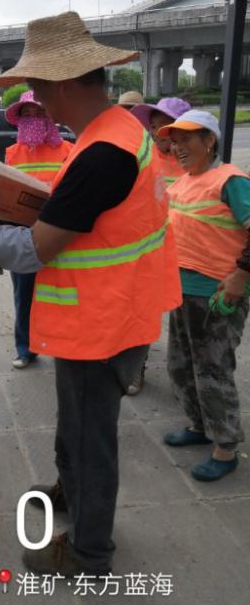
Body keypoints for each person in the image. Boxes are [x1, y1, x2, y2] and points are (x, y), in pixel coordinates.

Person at [0, 13, 181, 575]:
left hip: (100, 323)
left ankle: (88, 551)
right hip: (115, 310)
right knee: (76, 423)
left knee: (89, 438)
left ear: (61, 84)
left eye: (35, 84)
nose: (33, 96)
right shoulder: (117, 133)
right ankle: (70, 488)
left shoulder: (103, 154)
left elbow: (36, 250)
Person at [158, 110, 250, 481]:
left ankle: (225, 448)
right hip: (181, 291)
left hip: (217, 294)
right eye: (174, 141)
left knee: (212, 370)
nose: (178, 147)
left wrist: (240, 276)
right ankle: (199, 425)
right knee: (180, 366)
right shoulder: (181, 183)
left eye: (186, 139)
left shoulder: (231, 180)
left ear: (209, 140)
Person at [121, 97, 191, 396]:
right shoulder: (143, 158)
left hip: (188, 254)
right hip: (151, 250)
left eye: (165, 127)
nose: (157, 133)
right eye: (154, 127)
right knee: (143, 314)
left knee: (185, 322)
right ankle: (136, 370)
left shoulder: (194, 163)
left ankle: (187, 381)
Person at [4, 90, 72, 369]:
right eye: (27, 114)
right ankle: (26, 349)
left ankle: (64, 346)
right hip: (23, 235)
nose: (32, 119)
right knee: (24, 296)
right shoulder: (12, 153)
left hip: (61, 234)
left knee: (63, 295)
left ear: (49, 117)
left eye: (38, 112)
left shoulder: (68, 151)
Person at [132, 97, 190, 186]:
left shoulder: (193, 160)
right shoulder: (144, 155)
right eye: (153, 126)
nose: (156, 133)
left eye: (163, 127)